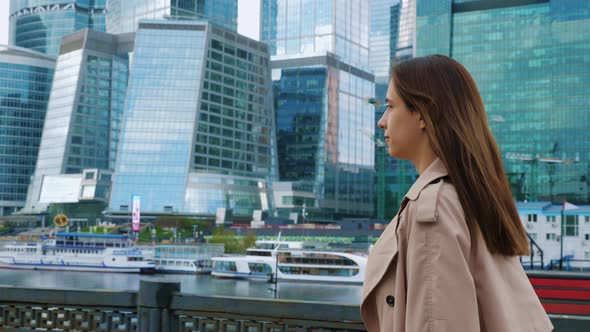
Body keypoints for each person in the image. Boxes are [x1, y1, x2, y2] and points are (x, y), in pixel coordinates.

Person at [361, 55, 553, 332]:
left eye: (391, 107)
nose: (382, 121)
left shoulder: (434, 205)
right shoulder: (471, 192)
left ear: (423, 115)